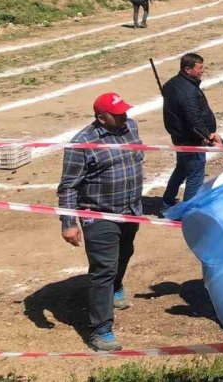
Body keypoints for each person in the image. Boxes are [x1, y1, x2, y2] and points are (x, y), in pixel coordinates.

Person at [57, 92, 144, 351]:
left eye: (125, 111)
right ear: (100, 118)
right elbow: (68, 187)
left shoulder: (131, 127)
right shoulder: (82, 143)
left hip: (130, 210)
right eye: (117, 114)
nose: (124, 117)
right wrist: (68, 223)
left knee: (125, 253)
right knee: (103, 269)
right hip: (100, 215)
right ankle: (101, 330)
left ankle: (116, 286)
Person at [160, 53, 216, 214]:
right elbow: (194, 118)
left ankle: (167, 202)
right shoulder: (188, 92)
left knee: (182, 169)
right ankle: (189, 211)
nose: (202, 71)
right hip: (191, 139)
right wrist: (206, 136)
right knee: (195, 175)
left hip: (180, 136)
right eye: (199, 68)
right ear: (187, 69)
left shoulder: (172, 84)